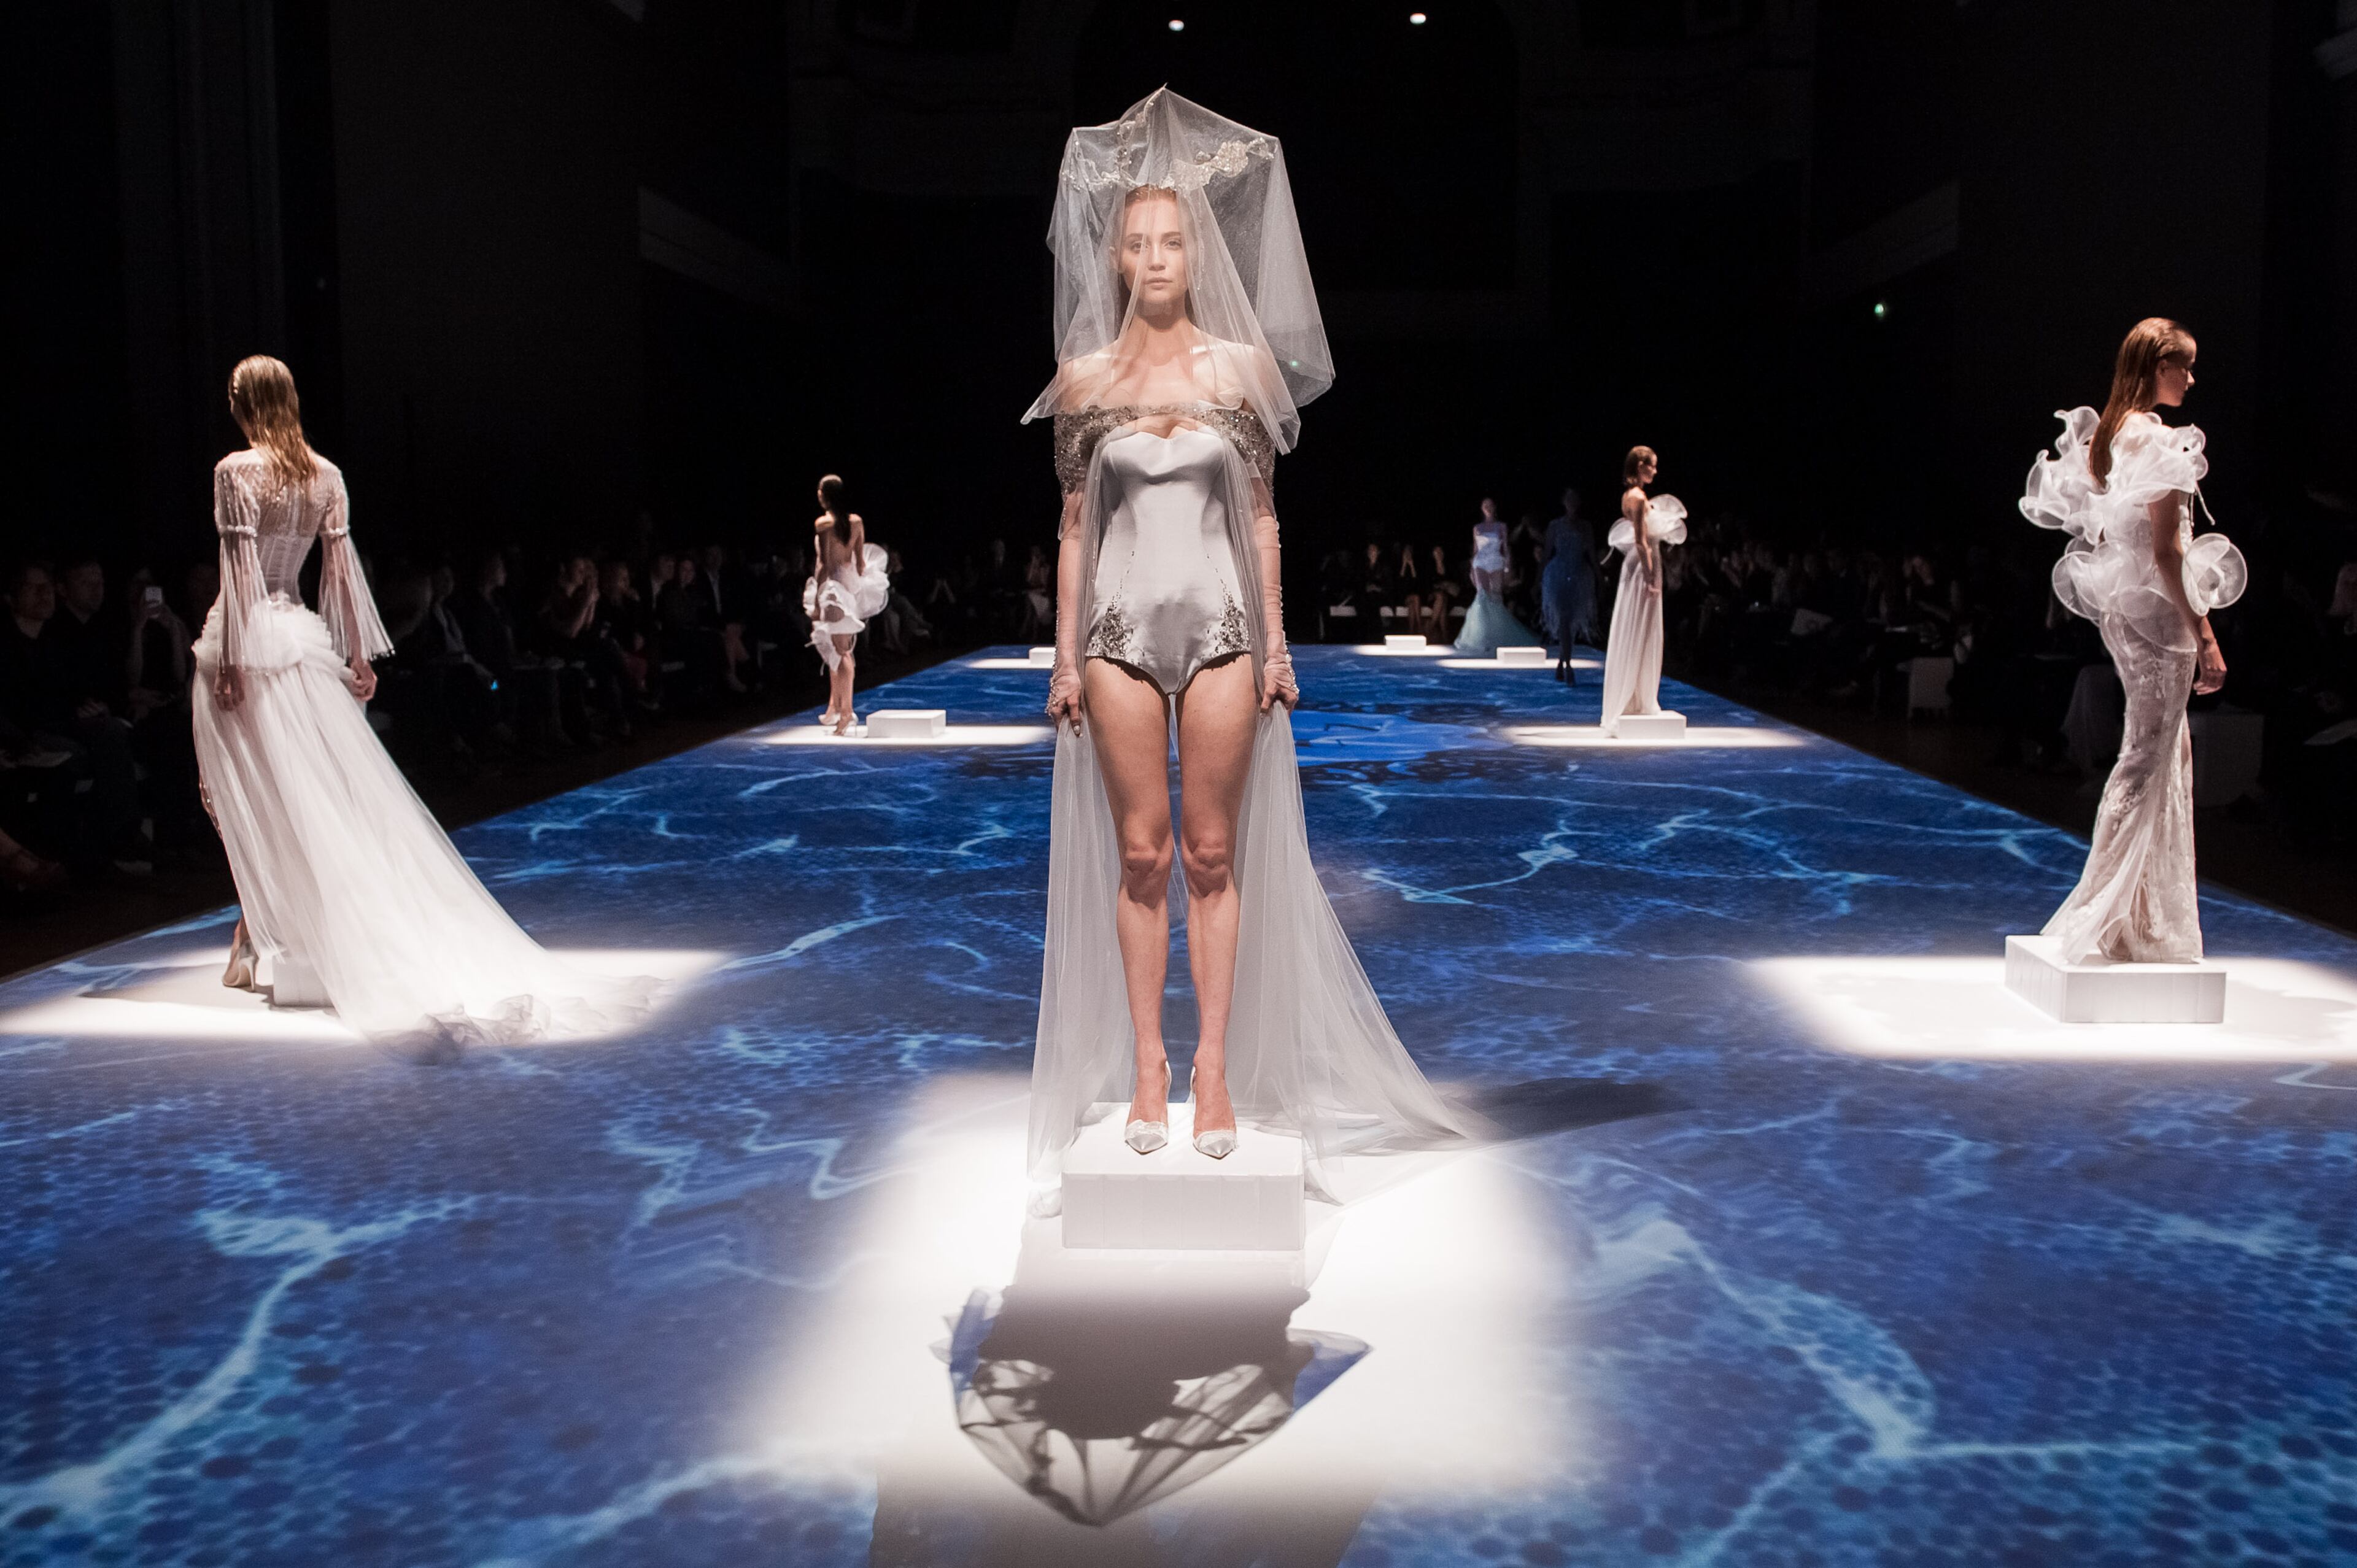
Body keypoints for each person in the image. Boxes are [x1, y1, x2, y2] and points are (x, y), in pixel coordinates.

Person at [1026, 88, 1475, 1210]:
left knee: (1213, 854)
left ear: (1199, 251)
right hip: (1119, 634)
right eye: (1138, 241)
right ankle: (1148, 1066)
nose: (1156, 257)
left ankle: (1214, 1071)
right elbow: (1075, 526)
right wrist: (1065, 657)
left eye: (1173, 240)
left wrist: (1277, 645)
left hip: (1223, 630)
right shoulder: (1085, 381)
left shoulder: (1240, 371)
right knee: (1142, 857)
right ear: (1116, 256)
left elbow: (1265, 517)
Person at [192, 355, 651, 1046]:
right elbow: (340, 572)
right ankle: (259, 932)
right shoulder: (325, 475)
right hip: (300, 644)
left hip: (248, 642)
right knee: (307, 792)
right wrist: (353, 654)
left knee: (250, 794)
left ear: (241, 401)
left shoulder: (236, 471)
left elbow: (238, 571)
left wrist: (232, 659)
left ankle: (268, 933)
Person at [2019, 318, 2245, 963]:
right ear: (2155, 367)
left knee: (2161, 752)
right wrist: (2206, 633)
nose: (2192, 379)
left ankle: (2139, 919)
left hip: (2126, 611)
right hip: (2161, 617)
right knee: (2148, 757)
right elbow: (2169, 552)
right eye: (2184, 366)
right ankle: (2101, 911)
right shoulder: (2161, 442)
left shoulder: (2114, 436)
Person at [1598, 446, 1689, 735]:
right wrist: (1651, 576)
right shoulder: (1637, 497)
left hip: (1643, 564)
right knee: (1640, 625)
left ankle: (1639, 697)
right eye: (1652, 465)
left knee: (1642, 626)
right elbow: (1640, 541)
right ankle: (1633, 698)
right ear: (1640, 465)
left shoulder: (1632, 496)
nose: (1655, 471)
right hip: (1642, 567)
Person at [803, 474, 889, 735]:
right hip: (849, 587)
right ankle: (836, 706)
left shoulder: (824, 524)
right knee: (839, 648)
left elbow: (824, 565)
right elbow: (860, 563)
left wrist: (816, 601)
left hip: (834, 590)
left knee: (840, 650)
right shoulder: (856, 522)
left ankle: (847, 711)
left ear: (825, 495)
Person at [1454, 497, 1540, 655]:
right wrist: (1472, 568)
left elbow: (1505, 547)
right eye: (1485, 505)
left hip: (1496, 561)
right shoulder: (1477, 527)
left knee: (1495, 597)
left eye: (1490, 505)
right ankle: (1481, 638)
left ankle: (1497, 637)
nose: (1487, 507)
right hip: (1480, 562)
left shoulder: (1501, 526)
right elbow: (1475, 550)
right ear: (1482, 508)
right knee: (1482, 596)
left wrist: (1508, 566)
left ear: (1494, 507)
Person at [1540, 487, 1601, 683]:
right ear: (1564, 503)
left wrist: (1599, 578)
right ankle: (1568, 666)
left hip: (1579, 576)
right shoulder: (1555, 526)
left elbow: (1592, 554)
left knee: (1571, 623)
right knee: (1564, 620)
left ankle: (1562, 661)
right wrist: (1538, 580)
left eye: (1575, 500)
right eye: (1569, 500)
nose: (1572, 504)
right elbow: (1547, 553)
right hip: (1558, 576)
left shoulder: (1586, 527)